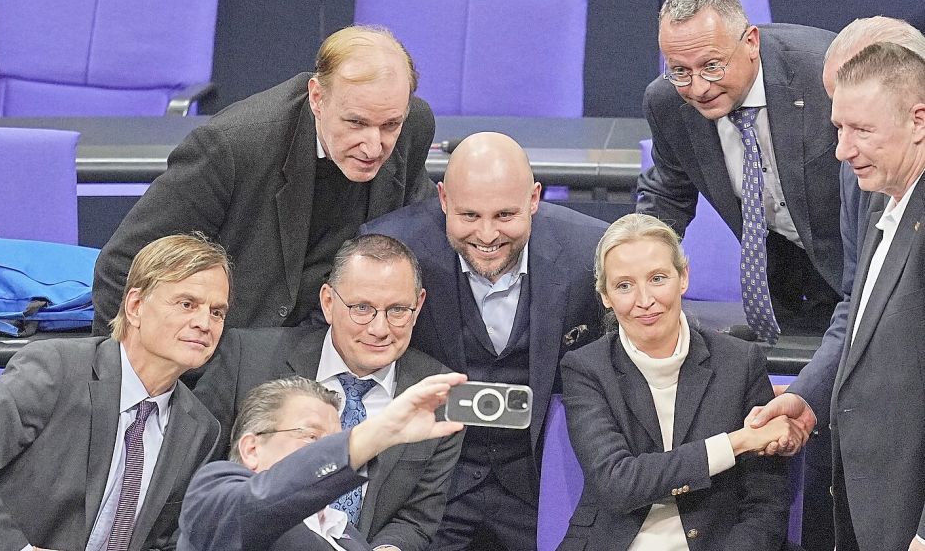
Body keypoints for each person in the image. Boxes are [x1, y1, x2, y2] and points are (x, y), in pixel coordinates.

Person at [92, 25, 436, 334]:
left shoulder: (414, 126)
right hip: (235, 354)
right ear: (317, 97)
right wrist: (131, 387)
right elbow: (122, 267)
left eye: (390, 125)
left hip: (340, 343)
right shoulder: (233, 146)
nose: (374, 146)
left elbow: (416, 241)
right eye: (356, 123)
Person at [362, 132, 609, 550]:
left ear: (534, 198)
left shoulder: (593, 253)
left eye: (505, 215)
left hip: (544, 483)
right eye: (470, 215)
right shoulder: (390, 251)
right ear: (443, 199)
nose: (488, 234)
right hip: (431, 487)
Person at [750, 17, 925, 551]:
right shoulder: (883, 199)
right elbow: (860, 314)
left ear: (919, 119)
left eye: (860, 130)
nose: (841, 152)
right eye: (838, 129)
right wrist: (809, 397)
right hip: (870, 501)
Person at [0, 233, 226, 551]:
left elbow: (165, 540)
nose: (205, 322)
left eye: (217, 312)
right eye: (187, 304)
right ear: (135, 306)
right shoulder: (59, 369)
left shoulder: (201, 428)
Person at [193, 234, 462, 551]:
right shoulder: (247, 359)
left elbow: (416, 519)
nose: (379, 328)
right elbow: (198, 483)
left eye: (398, 310)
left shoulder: (438, 393)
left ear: (418, 307)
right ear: (328, 303)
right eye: (362, 308)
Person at [558, 213, 800, 550]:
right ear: (605, 296)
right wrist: (736, 443)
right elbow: (618, 482)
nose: (644, 300)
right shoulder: (585, 369)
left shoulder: (740, 362)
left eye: (657, 278)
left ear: (683, 277)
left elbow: (766, 504)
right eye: (624, 285)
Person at [637, 0, 842, 340]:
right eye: (680, 71)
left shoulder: (826, 75)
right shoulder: (667, 103)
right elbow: (668, 196)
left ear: (751, 42)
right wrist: (638, 259)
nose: (698, 87)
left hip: (863, 268)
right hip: (785, 287)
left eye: (712, 66)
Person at [179, 373, 466, 551]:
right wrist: (377, 434)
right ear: (252, 448)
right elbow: (256, 506)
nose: (328, 450)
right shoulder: (214, 495)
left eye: (334, 440)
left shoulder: (345, 533)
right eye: (312, 437)